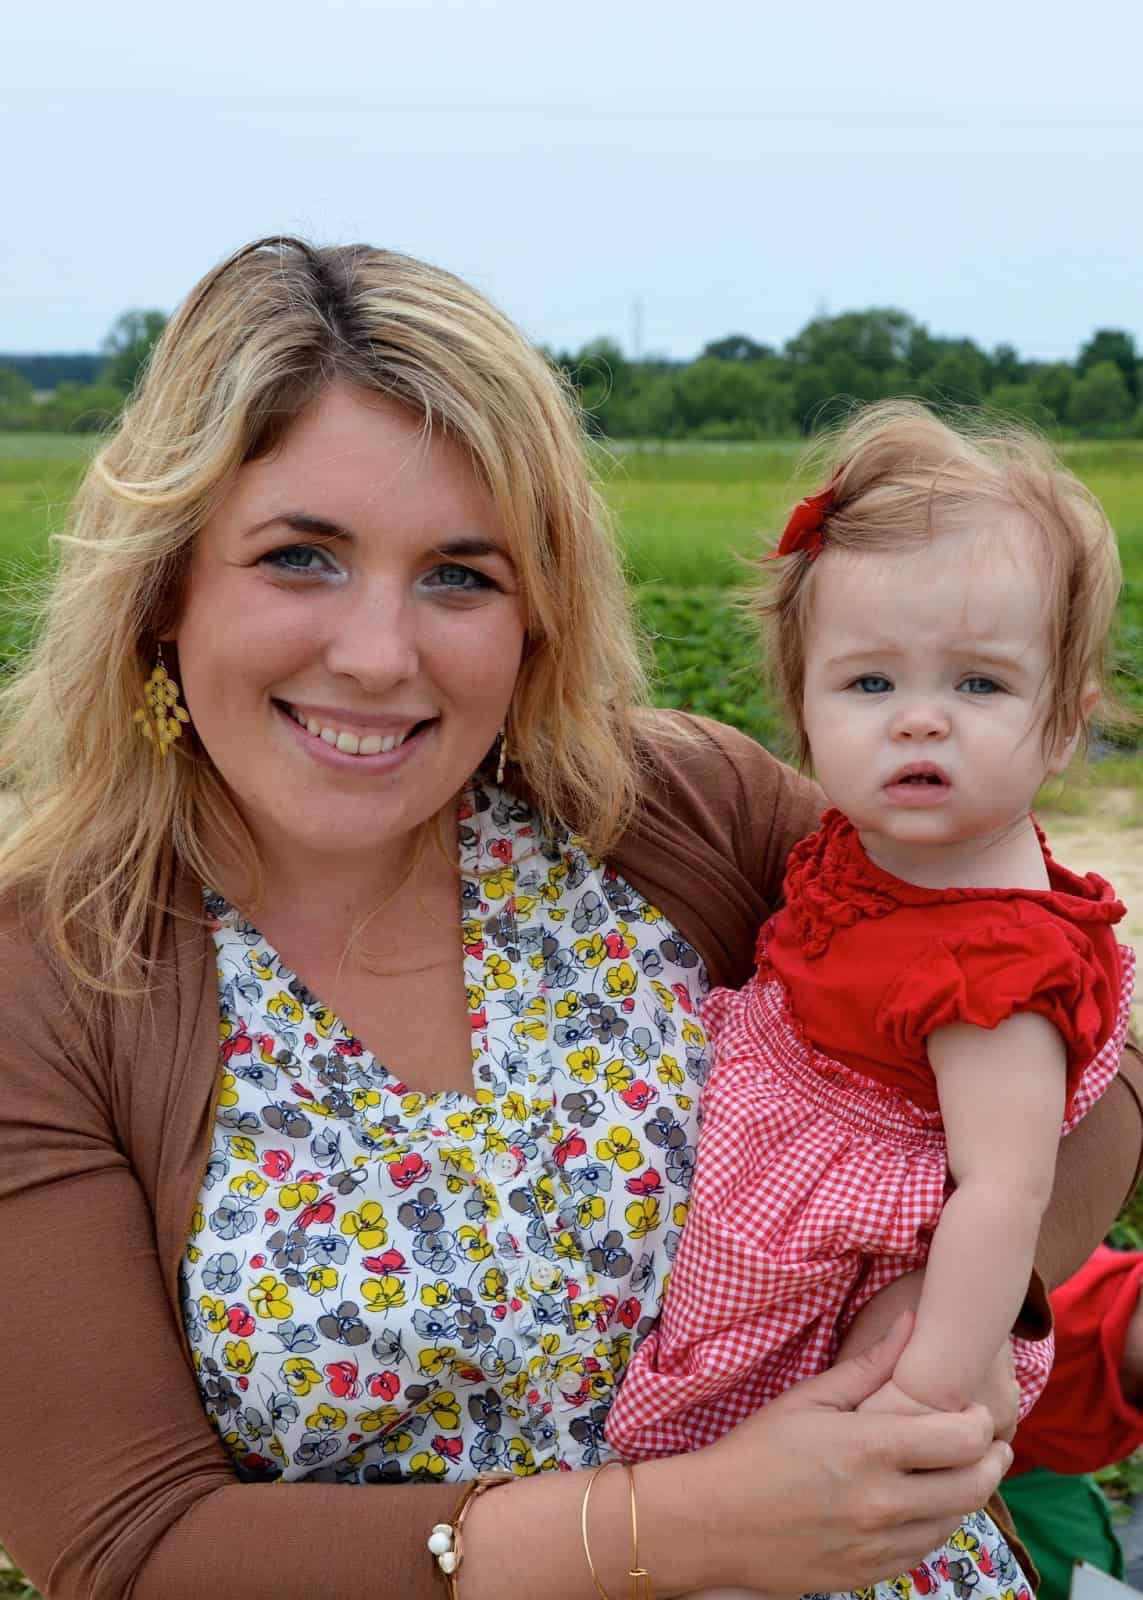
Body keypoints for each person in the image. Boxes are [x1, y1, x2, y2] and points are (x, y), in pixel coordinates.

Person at [0, 243, 1136, 1600]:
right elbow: (130, 1547)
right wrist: (680, 1526)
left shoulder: (664, 812)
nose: (376, 653)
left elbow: (1093, 1042)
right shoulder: (49, 986)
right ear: (165, 586)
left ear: (537, 614)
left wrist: (944, 1311)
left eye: (459, 575)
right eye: (299, 556)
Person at [607, 402, 1135, 1591]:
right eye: (870, 680)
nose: (919, 715)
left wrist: (922, 1394)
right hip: (782, 1182)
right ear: (801, 705)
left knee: (753, 1454)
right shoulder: (867, 848)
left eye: (981, 683)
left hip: (842, 1276)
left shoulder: (995, 966)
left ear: (1066, 722)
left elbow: (1005, 1189)